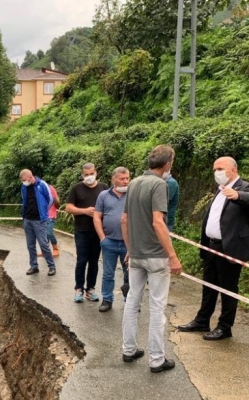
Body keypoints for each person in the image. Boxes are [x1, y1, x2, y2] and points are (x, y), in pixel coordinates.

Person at [177, 157, 249, 340]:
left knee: (228, 289)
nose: (217, 172)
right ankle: (202, 320)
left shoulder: (246, 187)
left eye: (220, 168)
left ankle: (225, 326)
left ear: (233, 169)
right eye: (215, 169)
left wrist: (237, 196)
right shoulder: (219, 189)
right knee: (208, 286)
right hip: (211, 246)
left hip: (229, 248)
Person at [121, 145, 182, 373]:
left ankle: (128, 350)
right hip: (156, 256)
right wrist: (172, 256)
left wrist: (129, 248)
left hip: (136, 254)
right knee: (157, 307)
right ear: (167, 164)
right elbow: (158, 222)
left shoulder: (134, 182)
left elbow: (124, 220)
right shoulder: (160, 185)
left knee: (132, 301)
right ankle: (157, 359)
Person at [66, 163, 109, 303]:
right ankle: (78, 289)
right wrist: (84, 211)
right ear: (82, 175)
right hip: (82, 231)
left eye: (91, 173)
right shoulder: (77, 188)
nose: (89, 177)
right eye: (86, 174)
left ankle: (90, 289)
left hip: (98, 231)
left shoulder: (103, 188)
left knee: (94, 261)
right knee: (81, 260)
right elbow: (69, 208)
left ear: (96, 172)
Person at [93, 167, 130, 312]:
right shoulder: (103, 195)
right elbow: (97, 217)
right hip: (109, 242)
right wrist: (103, 238)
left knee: (131, 274)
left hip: (128, 244)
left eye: (127, 178)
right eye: (122, 178)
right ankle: (107, 300)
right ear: (113, 179)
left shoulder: (133, 194)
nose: (125, 181)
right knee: (108, 273)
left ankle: (130, 302)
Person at [20, 169, 57, 276]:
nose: (24, 182)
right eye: (22, 181)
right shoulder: (23, 187)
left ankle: (51, 266)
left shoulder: (42, 185)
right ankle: (34, 266)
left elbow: (50, 199)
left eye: (25, 180)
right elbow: (24, 200)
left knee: (44, 244)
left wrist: (44, 211)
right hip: (27, 219)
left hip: (39, 220)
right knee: (30, 245)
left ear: (30, 177)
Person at [39, 184, 61, 258]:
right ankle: (44, 251)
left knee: (49, 233)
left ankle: (55, 249)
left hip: (51, 216)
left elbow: (57, 202)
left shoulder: (51, 190)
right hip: (43, 216)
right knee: (44, 234)